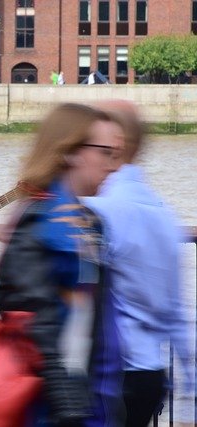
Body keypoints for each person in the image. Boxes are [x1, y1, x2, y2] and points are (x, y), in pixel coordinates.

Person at [0, 103, 124, 426]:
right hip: (57, 407)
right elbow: (28, 311)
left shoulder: (87, 221)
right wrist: (67, 402)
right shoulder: (43, 220)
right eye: (105, 152)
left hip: (93, 397)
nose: (113, 166)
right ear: (71, 152)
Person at [84, 100, 194, 427]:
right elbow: (175, 310)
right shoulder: (163, 213)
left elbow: (78, 296)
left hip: (108, 375)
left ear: (114, 145)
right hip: (150, 374)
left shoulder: (98, 210)